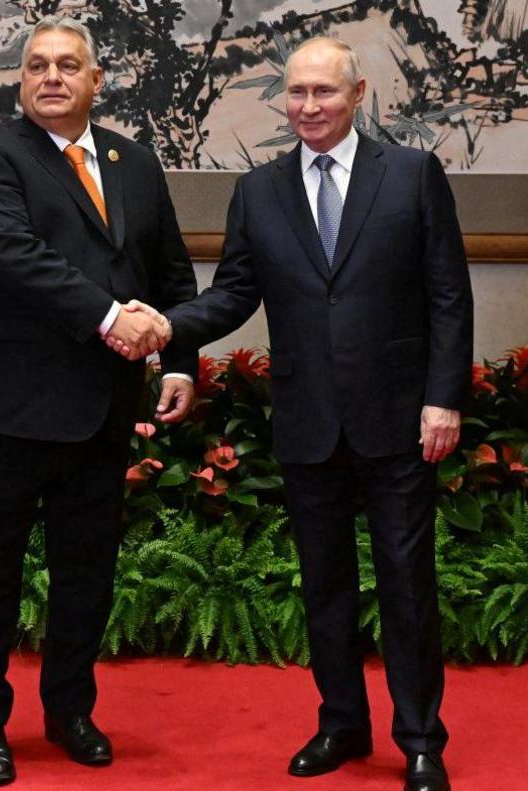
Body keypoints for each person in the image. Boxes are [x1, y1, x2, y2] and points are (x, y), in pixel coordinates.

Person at [115, 37, 472, 791]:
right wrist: (168, 327)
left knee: (407, 583)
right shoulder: (260, 189)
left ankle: (419, 740)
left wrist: (444, 399)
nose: (309, 107)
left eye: (324, 92)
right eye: (297, 93)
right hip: (308, 421)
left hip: (400, 420)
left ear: (358, 93)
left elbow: (448, 294)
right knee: (325, 585)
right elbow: (235, 292)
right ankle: (342, 723)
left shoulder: (411, 175)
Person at [0, 14, 197, 786]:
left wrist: (179, 359)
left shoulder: (135, 161)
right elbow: (19, 260)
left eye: (67, 65)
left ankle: (69, 710)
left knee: (86, 570)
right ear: (21, 82)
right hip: (4, 411)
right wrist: (112, 317)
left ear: (97, 80)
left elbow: (172, 272)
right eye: (36, 65)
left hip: (100, 409)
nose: (51, 76)